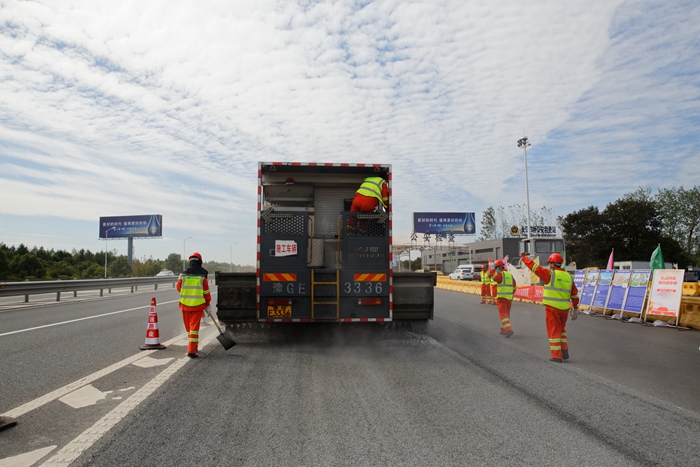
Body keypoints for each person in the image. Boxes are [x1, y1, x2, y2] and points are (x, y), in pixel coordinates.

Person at [520, 251, 579, 363]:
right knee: (561, 329)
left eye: (549, 263)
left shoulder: (550, 274)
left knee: (554, 331)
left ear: (553, 264)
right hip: (564, 309)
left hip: (552, 309)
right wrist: (575, 307)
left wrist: (523, 258)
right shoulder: (568, 277)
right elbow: (574, 294)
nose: (549, 265)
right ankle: (564, 350)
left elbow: (534, 268)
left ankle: (556, 356)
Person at [177, 252, 211, 358]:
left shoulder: (183, 275)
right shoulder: (202, 276)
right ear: (200, 262)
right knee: (193, 329)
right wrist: (208, 305)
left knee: (189, 329)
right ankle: (192, 350)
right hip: (197, 306)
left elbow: (179, 288)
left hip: (184, 305)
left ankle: (192, 348)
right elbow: (206, 292)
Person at [490, 260, 516, 337]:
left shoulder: (501, 275)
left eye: (496, 268)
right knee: (506, 315)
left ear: (499, 267)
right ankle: (503, 329)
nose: (496, 270)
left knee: (503, 315)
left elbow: (493, 277)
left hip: (502, 299)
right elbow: (514, 287)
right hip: (509, 299)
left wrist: (492, 269)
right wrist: (510, 294)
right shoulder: (510, 275)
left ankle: (508, 330)